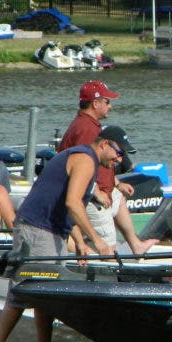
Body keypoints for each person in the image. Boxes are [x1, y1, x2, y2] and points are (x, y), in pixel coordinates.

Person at [0, 125, 127, 342]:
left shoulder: (85, 159)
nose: (119, 159)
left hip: (51, 228)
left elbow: (62, 202)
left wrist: (80, 242)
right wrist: (97, 241)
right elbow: (72, 202)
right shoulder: (85, 159)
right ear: (104, 143)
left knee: (45, 294)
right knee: (23, 290)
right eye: (119, 152)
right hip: (38, 228)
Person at [57, 80, 154, 256]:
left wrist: (116, 184)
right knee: (107, 247)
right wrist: (96, 192)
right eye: (107, 102)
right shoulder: (86, 129)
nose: (110, 106)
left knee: (119, 198)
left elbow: (99, 164)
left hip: (103, 188)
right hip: (92, 196)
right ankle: (102, 268)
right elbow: (80, 167)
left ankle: (136, 245)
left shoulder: (90, 124)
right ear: (95, 103)